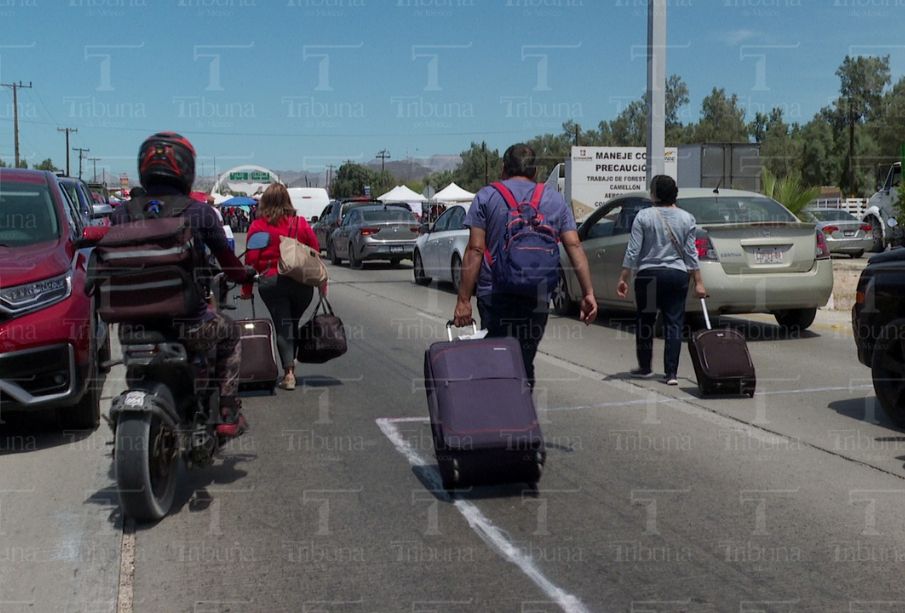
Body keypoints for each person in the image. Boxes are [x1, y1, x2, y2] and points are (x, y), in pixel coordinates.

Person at [112, 132, 255, 438]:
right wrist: (244, 276)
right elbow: (229, 264)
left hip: (131, 325)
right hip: (189, 325)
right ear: (186, 169)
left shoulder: (121, 213)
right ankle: (227, 409)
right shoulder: (201, 213)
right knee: (229, 334)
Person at [452, 143, 597, 388]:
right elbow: (573, 245)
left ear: (503, 168)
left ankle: (502, 417)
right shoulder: (554, 199)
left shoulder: (487, 196)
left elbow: (476, 249)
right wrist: (588, 293)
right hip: (537, 294)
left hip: (495, 293)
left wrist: (464, 299)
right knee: (524, 360)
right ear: (535, 171)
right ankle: (520, 416)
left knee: (498, 359)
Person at [616, 174, 707, 386]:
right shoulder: (687, 218)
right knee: (674, 323)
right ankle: (671, 374)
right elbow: (691, 253)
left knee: (645, 321)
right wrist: (699, 282)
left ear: (654, 193)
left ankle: (645, 367)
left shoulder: (643, 216)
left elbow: (633, 250)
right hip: (677, 275)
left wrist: (624, 276)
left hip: (648, 275)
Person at [242, 183, 324, 391]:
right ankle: (291, 362)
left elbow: (251, 260)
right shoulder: (300, 223)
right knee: (291, 323)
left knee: (282, 324)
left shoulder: (258, 226)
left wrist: (246, 290)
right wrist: (323, 288)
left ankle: (288, 373)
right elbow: (315, 253)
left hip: (272, 282)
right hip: (301, 283)